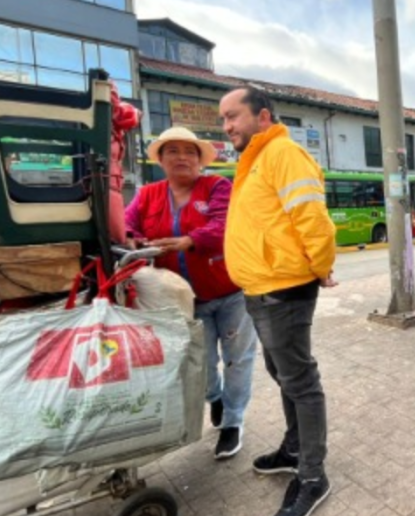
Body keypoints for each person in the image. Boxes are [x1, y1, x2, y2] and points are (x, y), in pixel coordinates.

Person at [220, 86, 337, 516]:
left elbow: (313, 219)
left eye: (233, 116)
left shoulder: (283, 154)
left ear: (263, 117)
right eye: (223, 120)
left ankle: (312, 475)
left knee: (300, 380)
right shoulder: (254, 161)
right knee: (282, 371)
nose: (227, 126)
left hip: (284, 286)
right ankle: (293, 450)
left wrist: (321, 267)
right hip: (259, 287)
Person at [124, 126, 256, 460]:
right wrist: (133, 240)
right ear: (161, 159)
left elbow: (225, 224)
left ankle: (232, 422)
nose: (182, 157)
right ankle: (215, 397)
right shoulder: (147, 194)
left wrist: (190, 240)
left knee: (237, 359)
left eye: (189, 151)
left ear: (199, 160)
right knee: (201, 363)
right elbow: (127, 225)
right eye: (173, 151)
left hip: (231, 292)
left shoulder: (217, 186)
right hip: (184, 301)